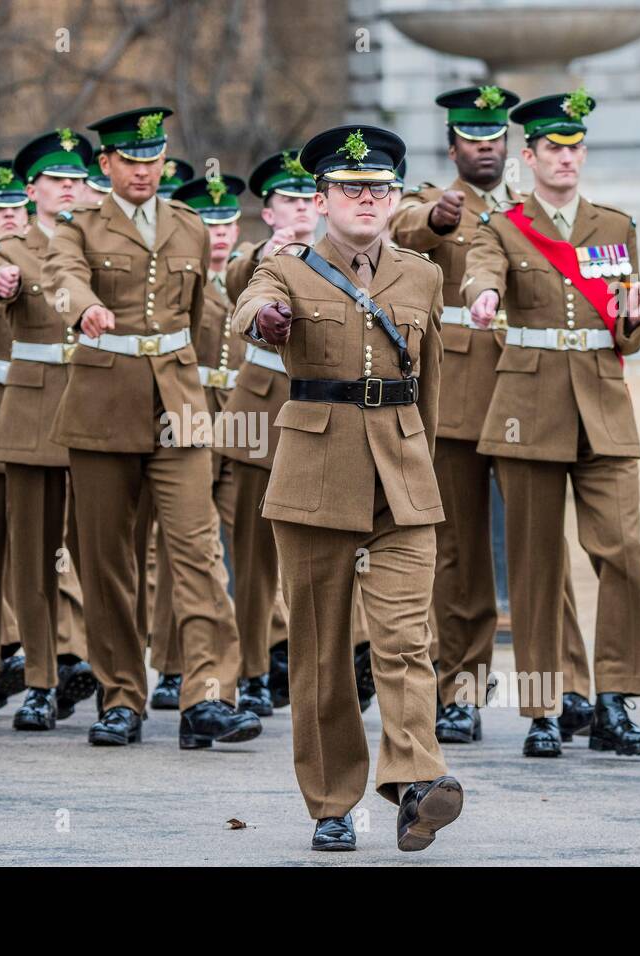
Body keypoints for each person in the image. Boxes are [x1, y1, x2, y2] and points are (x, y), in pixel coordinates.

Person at [234, 124, 463, 852]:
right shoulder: (290, 266)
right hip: (314, 476)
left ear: (395, 198)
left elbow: (430, 388)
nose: (365, 199)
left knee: (404, 639)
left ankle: (418, 780)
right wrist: (264, 320)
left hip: (401, 480)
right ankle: (332, 802)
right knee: (323, 651)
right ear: (325, 198)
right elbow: (248, 302)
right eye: (349, 188)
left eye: (379, 189)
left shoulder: (422, 274)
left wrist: (423, 469)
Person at [42, 106, 259, 749]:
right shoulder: (77, 225)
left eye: (153, 159)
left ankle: (207, 696)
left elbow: (200, 320)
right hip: (103, 406)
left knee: (197, 549)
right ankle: (121, 696)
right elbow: (61, 278)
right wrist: (85, 310)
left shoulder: (189, 227)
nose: (143, 171)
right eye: (130, 161)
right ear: (105, 164)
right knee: (108, 559)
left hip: (179, 407)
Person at [390, 86, 596, 745]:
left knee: (543, 549)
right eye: (471, 139)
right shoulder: (432, 200)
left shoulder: (531, 205)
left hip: (532, 392)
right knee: (460, 554)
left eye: (494, 138)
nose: (485, 147)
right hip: (456, 395)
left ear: (512, 147)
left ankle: (567, 688)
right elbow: (404, 228)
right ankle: (461, 692)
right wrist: (441, 218)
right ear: (452, 147)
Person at [463, 90, 640, 759]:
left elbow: (624, 333)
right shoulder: (504, 226)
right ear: (531, 156)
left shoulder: (614, 227)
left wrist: (635, 320)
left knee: (624, 552)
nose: (566, 158)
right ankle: (544, 710)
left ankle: (614, 700)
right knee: (537, 567)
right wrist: (483, 296)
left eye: (575, 148)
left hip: (602, 408)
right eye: (554, 148)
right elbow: (480, 272)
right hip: (530, 410)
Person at [0, 132, 99, 730]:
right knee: (34, 557)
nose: (68, 186)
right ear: (32, 189)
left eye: (76, 177)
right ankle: (41, 680)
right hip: (33, 409)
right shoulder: (14, 246)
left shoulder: (102, 236)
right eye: (55, 178)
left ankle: (109, 676)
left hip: (100, 403)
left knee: (103, 552)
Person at [218, 148, 317, 712]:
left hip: (318, 413)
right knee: (252, 558)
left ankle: (319, 667)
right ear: (270, 211)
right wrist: (266, 253)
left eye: (309, 198)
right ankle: (252, 669)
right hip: (259, 413)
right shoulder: (258, 256)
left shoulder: (344, 256)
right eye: (290, 200)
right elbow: (235, 282)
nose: (301, 207)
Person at [153, 173, 246, 708]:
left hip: (239, 419)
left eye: (229, 221)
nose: (220, 232)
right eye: (209, 222)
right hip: (188, 415)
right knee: (183, 547)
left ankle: (248, 668)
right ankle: (169, 665)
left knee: (235, 550)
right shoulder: (178, 279)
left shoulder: (248, 276)